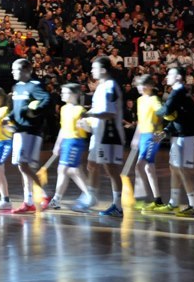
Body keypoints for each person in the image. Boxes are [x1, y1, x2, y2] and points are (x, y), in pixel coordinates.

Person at [150, 67, 194, 217]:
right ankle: (173, 203)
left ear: (178, 77)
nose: (166, 76)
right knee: (173, 167)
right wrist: (165, 131)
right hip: (179, 135)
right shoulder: (180, 93)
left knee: (183, 170)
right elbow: (178, 117)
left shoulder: (178, 92)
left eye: (170, 74)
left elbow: (166, 111)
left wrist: (153, 110)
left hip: (186, 137)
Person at [80, 56, 126, 217]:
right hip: (98, 134)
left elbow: (109, 113)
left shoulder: (110, 86)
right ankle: (91, 198)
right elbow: (98, 109)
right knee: (91, 164)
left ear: (104, 70)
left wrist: (89, 114)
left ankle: (118, 206)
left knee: (111, 169)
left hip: (109, 135)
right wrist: (87, 120)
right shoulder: (101, 86)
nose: (92, 70)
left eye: (95, 68)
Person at [9, 59, 51, 214]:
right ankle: (28, 201)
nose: (12, 72)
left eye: (15, 69)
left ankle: (44, 194)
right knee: (22, 167)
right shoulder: (17, 87)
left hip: (30, 131)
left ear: (26, 70)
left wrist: (35, 111)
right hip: (19, 130)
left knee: (24, 165)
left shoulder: (34, 86)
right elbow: (16, 109)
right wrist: (9, 117)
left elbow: (47, 99)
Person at [46, 83, 92, 211]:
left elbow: (89, 128)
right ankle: (88, 195)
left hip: (75, 142)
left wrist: (84, 125)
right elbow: (63, 128)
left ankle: (58, 199)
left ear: (74, 94)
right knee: (69, 170)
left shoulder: (80, 110)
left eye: (65, 92)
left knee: (66, 169)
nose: (62, 94)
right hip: (66, 141)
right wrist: (58, 144)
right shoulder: (64, 109)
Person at [132, 75, 164, 211]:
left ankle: (140, 198)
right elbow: (140, 120)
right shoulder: (139, 100)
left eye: (143, 85)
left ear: (150, 86)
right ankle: (158, 200)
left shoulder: (154, 99)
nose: (140, 87)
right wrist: (136, 137)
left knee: (140, 165)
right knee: (148, 168)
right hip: (144, 135)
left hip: (153, 135)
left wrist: (157, 123)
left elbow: (161, 113)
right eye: (139, 85)